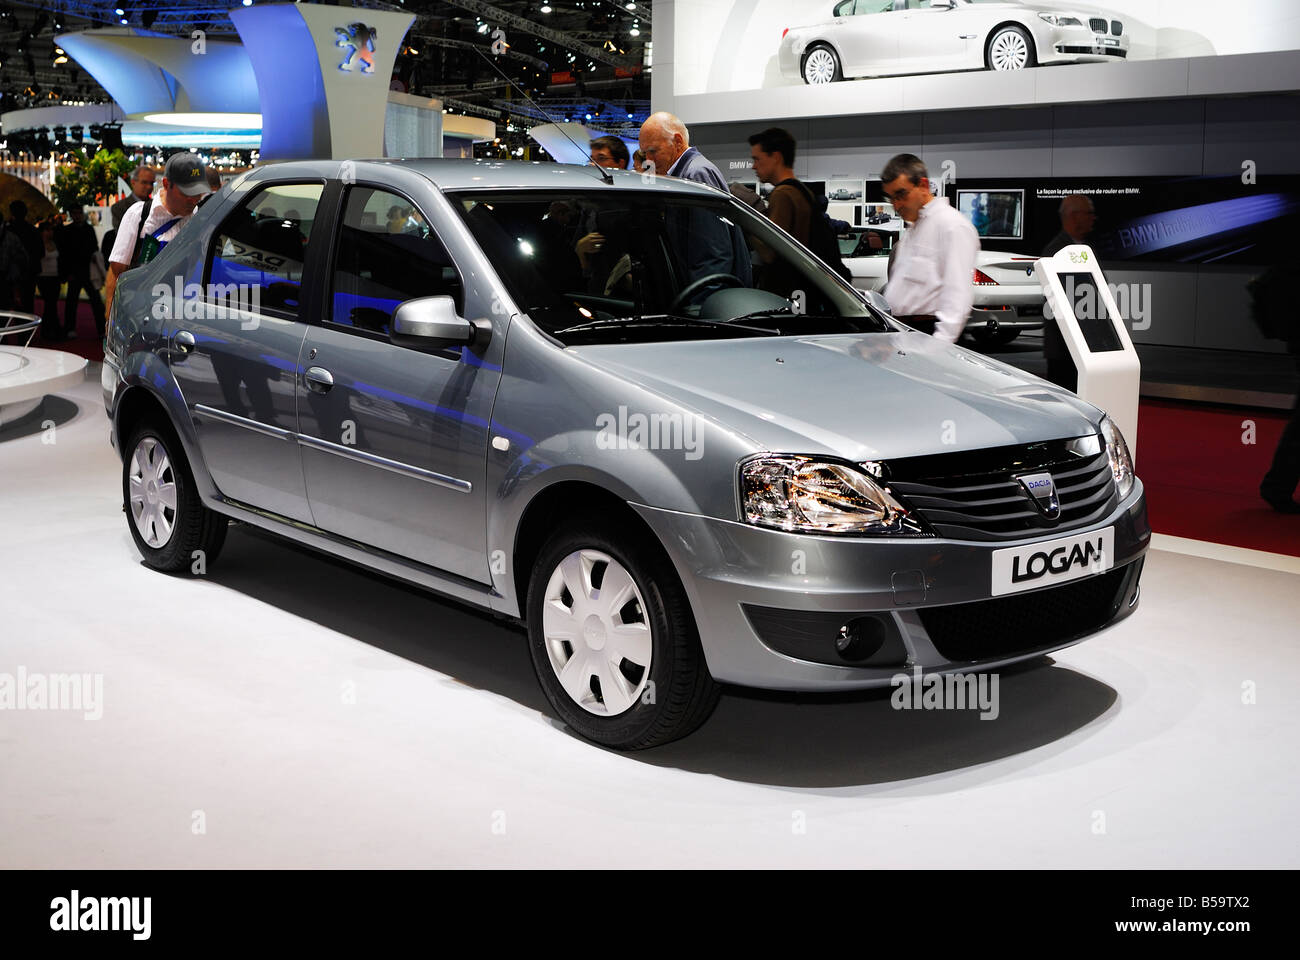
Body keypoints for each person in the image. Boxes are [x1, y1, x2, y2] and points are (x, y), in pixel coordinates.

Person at [638, 112, 751, 287]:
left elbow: (713, 255)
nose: (648, 160)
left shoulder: (696, 174)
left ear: (677, 141)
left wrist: (701, 306)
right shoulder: (685, 174)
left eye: (653, 151)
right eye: (645, 153)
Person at [880, 153, 979, 342]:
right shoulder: (914, 228)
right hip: (904, 335)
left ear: (923, 185)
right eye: (891, 198)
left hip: (928, 336)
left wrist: (939, 348)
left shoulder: (952, 225)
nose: (896, 205)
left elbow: (957, 297)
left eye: (901, 194)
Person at [105, 153, 212, 320]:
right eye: (186, 192)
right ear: (166, 184)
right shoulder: (139, 214)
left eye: (197, 192)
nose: (193, 199)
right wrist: (111, 317)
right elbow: (117, 270)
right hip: (139, 313)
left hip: (179, 312)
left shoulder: (196, 217)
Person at [1041, 195, 1098, 391]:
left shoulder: (1084, 249)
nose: (1093, 217)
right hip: (1065, 351)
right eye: (1089, 213)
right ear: (1074, 216)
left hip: (1083, 347)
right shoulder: (1057, 252)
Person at [56, 205, 107, 338]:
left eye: (79, 213)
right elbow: (65, 253)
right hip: (77, 271)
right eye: (75, 213)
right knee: (77, 301)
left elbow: (65, 252)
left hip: (85, 270)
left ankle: (100, 329)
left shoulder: (82, 229)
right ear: (72, 215)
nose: (77, 215)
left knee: (90, 301)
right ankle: (73, 328)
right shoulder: (77, 230)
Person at [5, 202, 41, 313]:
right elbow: (40, 251)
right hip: (29, 272)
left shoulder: (8, 231)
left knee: (11, 304)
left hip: (11, 273)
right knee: (28, 302)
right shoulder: (32, 230)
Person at [34, 219, 62, 341]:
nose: (49, 232)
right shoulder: (37, 243)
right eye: (47, 230)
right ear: (41, 232)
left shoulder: (56, 243)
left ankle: (50, 330)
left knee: (52, 303)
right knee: (50, 303)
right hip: (43, 277)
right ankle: (51, 330)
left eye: (51, 230)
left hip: (55, 276)